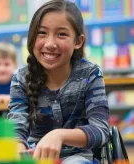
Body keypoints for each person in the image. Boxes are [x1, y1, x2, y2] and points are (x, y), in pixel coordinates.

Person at [7, 0, 109, 163]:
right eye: (42, 33)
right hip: (34, 157)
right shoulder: (21, 79)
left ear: (78, 41)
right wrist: (18, 146)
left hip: (78, 157)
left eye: (61, 34)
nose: (50, 43)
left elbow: (101, 130)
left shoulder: (91, 74)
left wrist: (59, 135)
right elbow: (16, 125)